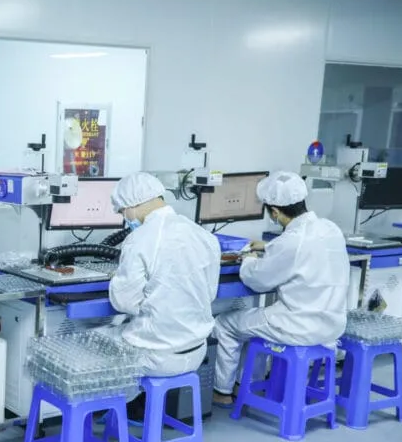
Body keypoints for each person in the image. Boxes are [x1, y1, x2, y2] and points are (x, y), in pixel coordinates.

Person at [211, 171, 349, 408]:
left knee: (225, 324)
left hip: (298, 325)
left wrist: (249, 260)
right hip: (332, 324)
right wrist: (270, 247)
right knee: (254, 322)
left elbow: (258, 280)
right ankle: (246, 384)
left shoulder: (290, 242)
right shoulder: (330, 228)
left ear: (274, 212)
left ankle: (222, 391)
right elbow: (300, 250)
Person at [108, 172, 221, 422]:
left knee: (96, 341)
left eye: (123, 211)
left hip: (157, 357)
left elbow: (124, 302)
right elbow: (210, 293)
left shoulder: (139, 239)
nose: (125, 218)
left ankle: (112, 414)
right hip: (196, 350)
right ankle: (134, 407)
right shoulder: (203, 235)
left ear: (133, 204)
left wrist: (117, 278)